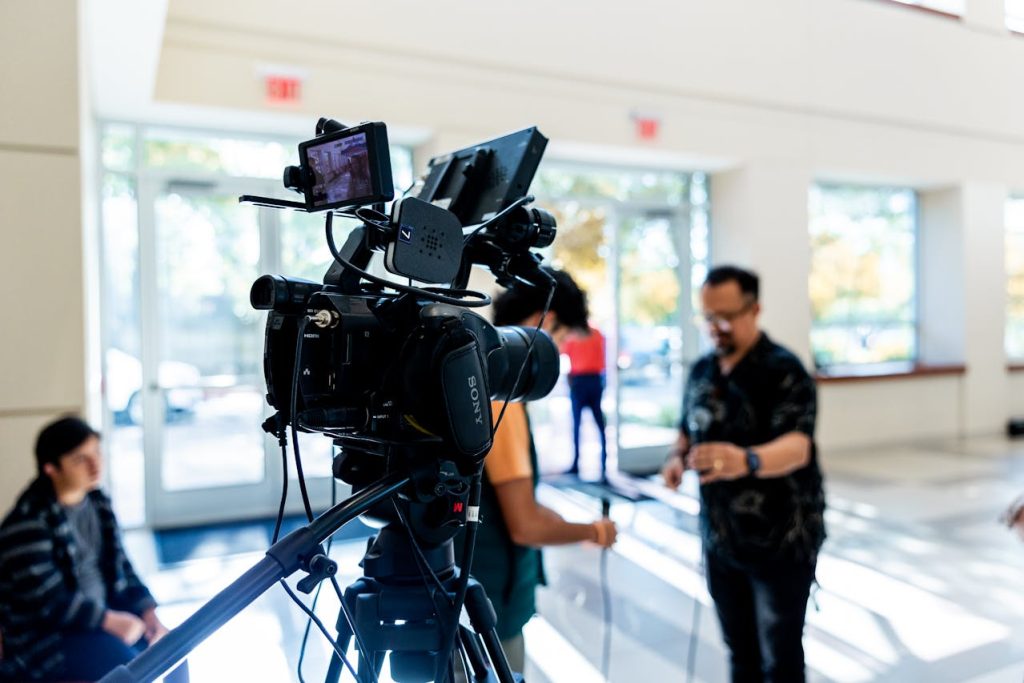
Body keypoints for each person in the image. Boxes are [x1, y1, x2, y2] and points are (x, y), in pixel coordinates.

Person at [662, 265, 826, 683]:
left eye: (726, 317)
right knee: (740, 652)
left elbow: (798, 446)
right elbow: (686, 431)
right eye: (708, 317)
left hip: (782, 542)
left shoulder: (784, 369)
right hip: (720, 539)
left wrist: (747, 460)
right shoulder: (702, 371)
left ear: (755, 309)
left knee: (781, 654)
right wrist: (676, 460)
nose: (715, 328)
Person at [453, 267, 618, 677]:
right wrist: (593, 532)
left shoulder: (469, 378)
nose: (559, 354)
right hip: (486, 602)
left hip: (462, 593)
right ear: (540, 325)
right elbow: (524, 525)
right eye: (560, 340)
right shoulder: (497, 399)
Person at [0, 416, 187, 682]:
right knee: (127, 669)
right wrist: (112, 621)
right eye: (80, 459)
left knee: (174, 649)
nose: (95, 464)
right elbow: (52, 603)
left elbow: (122, 566)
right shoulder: (27, 524)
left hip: (104, 615)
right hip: (53, 638)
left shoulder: (98, 504)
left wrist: (149, 613)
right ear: (51, 468)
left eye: (96, 452)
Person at [560, 323, 609, 480]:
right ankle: (590, 464)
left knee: (584, 424)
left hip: (586, 380)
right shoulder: (595, 334)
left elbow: (563, 352)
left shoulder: (578, 335)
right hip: (587, 380)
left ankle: (592, 464)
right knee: (590, 424)